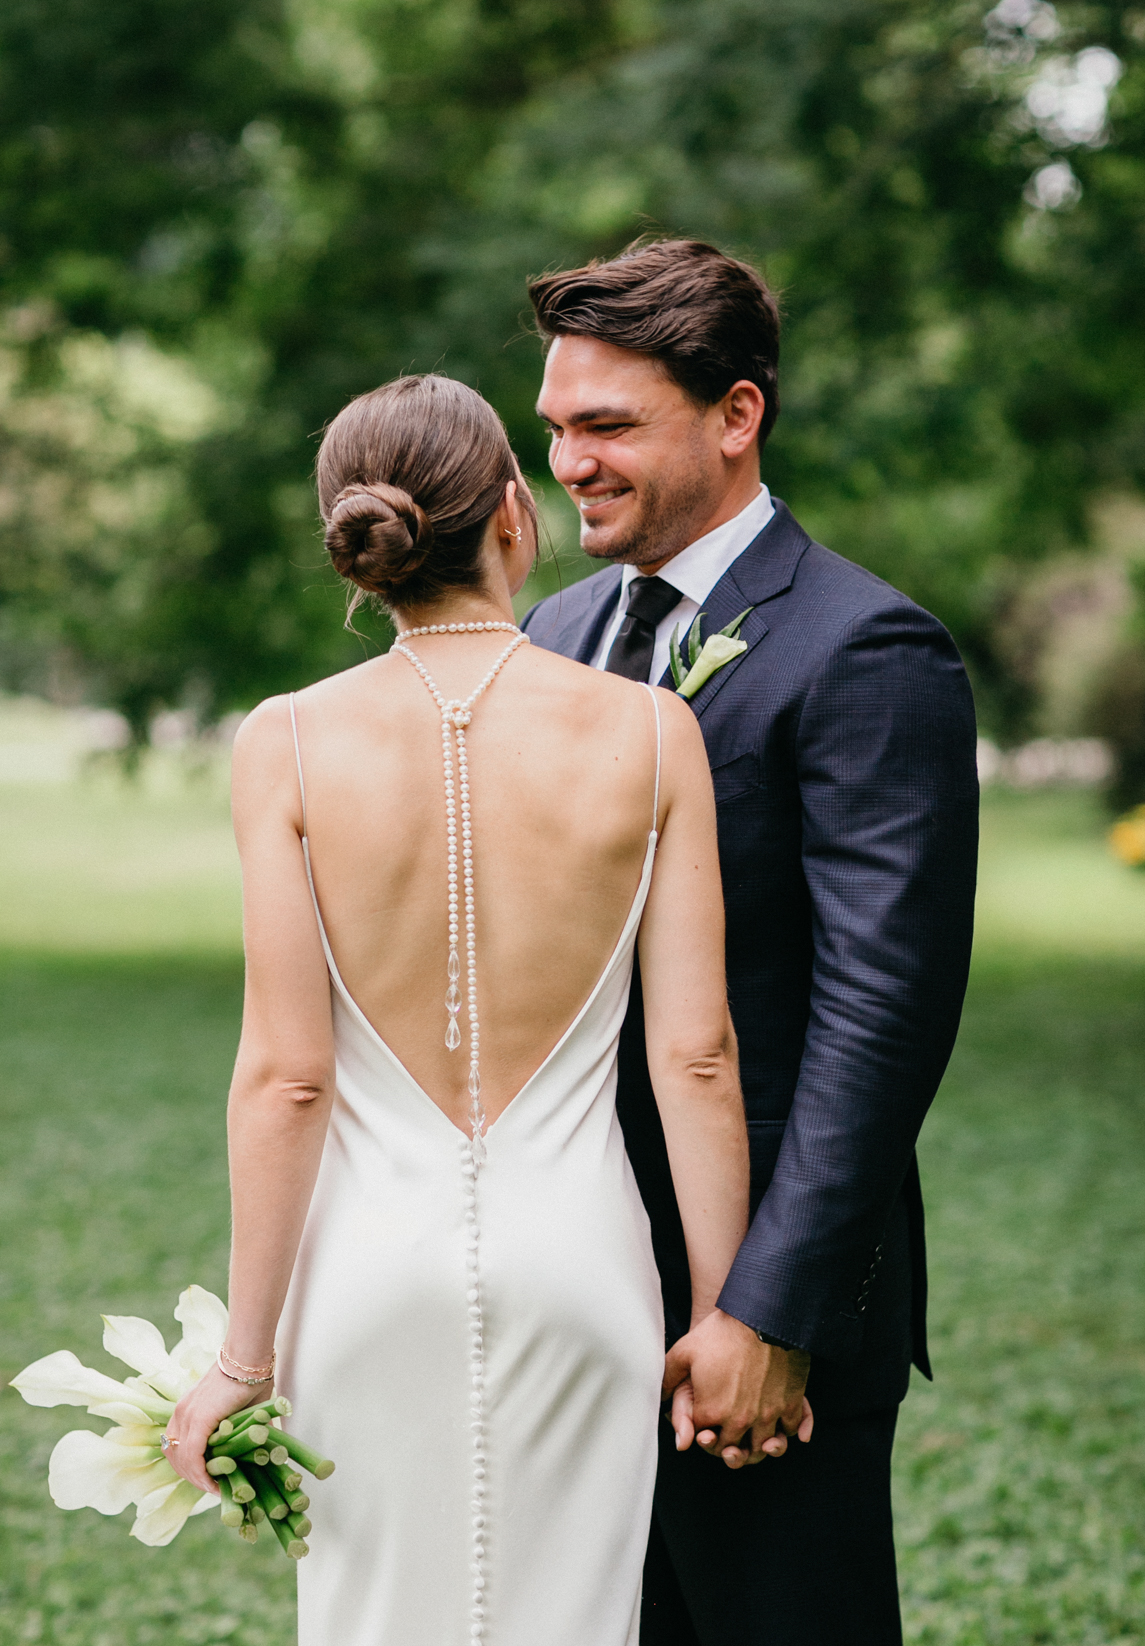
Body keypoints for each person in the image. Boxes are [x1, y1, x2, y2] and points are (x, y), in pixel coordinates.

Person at [165, 373, 763, 1646]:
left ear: (360, 543)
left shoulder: (285, 739)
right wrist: (723, 1315)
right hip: (587, 1274)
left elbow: (287, 1077)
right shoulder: (655, 734)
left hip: (367, 1283)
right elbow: (696, 1057)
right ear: (512, 513)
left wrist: (242, 1361)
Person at [522, 238, 980, 1646]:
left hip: (759, 1313)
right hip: (566, 1281)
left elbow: (882, 1008)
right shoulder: (554, 631)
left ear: (736, 416)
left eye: (608, 426)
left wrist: (765, 1313)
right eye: (556, 429)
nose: (572, 463)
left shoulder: (865, 651)